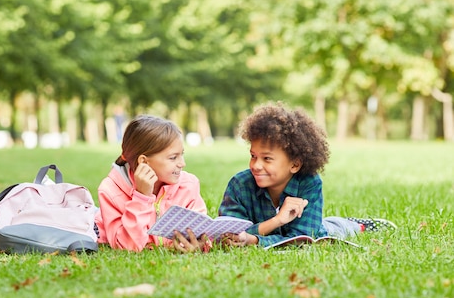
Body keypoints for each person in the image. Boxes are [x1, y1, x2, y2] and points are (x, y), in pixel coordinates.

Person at [219, 102, 397, 248]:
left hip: (319, 229)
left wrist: (255, 240)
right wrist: (277, 221)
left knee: (331, 229)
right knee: (324, 223)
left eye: (267, 158)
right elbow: (227, 234)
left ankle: (358, 225)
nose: (256, 165)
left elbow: (304, 239)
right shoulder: (239, 185)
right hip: (280, 226)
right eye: (253, 156)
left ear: (295, 164)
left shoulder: (309, 183)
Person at [95, 114, 210, 252]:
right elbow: (127, 247)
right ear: (144, 161)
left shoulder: (188, 185)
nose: (182, 164)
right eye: (173, 158)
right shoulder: (110, 191)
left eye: (182, 155)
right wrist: (141, 197)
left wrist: (200, 244)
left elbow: (203, 233)